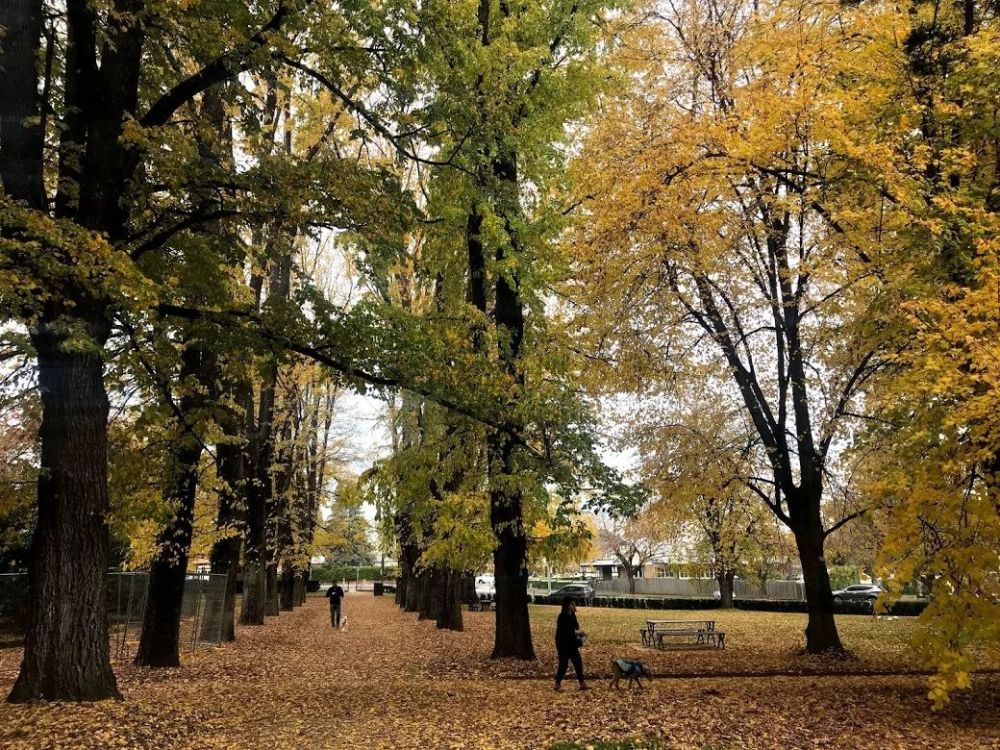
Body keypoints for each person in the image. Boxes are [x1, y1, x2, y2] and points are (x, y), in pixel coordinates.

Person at [554, 598, 588, 691]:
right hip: (563, 644)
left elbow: (575, 627)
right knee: (563, 664)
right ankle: (557, 684)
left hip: (569, 642)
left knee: (578, 662)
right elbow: (567, 634)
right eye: (572, 604)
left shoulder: (571, 615)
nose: (574, 606)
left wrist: (578, 633)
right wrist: (581, 641)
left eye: (574, 604)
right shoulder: (563, 616)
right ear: (567, 605)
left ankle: (582, 683)